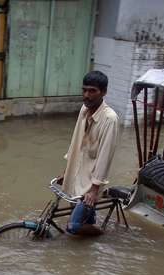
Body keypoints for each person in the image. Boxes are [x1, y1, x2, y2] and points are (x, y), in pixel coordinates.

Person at [59, 71, 119, 236]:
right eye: (84, 90)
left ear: (104, 92)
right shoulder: (84, 110)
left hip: (91, 183)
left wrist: (94, 189)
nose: (87, 95)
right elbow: (76, 142)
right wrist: (67, 170)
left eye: (92, 91)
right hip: (77, 175)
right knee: (83, 217)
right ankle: (90, 238)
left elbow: (105, 156)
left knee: (73, 227)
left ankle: (101, 235)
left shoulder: (109, 119)